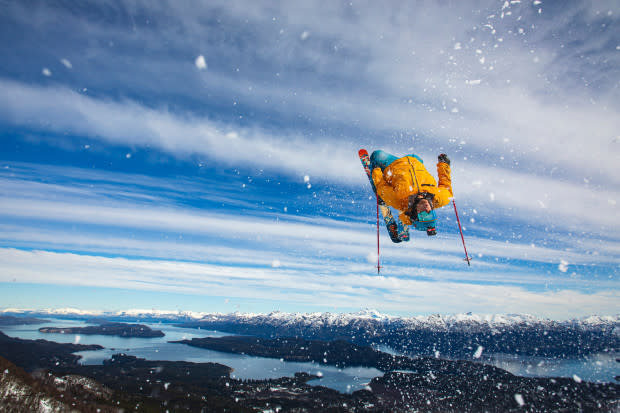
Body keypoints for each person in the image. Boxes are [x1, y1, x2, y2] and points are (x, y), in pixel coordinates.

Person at [370, 150, 452, 236]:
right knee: (416, 156)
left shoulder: (398, 200)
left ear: (415, 213)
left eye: (424, 214)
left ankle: (380, 196)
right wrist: (444, 164)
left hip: (393, 165)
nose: (427, 209)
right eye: (431, 214)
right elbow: (445, 183)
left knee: (377, 155)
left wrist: (376, 170)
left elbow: (381, 186)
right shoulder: (440, 197)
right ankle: (403, 220)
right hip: (414, 161)